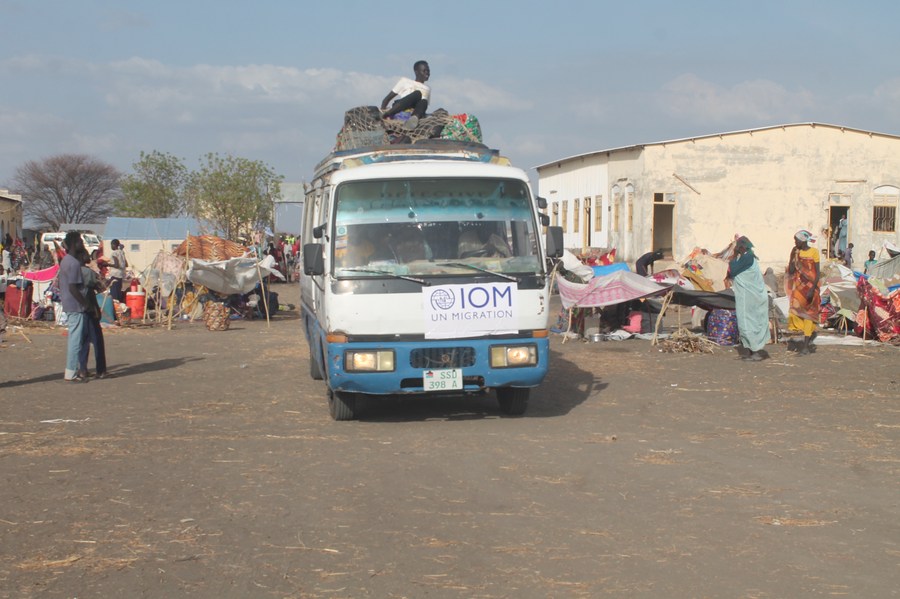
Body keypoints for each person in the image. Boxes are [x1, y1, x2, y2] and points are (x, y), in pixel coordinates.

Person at [724, 237, 769, 361]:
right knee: (745, 322)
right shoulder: (744, 258)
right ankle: (750, 350)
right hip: (746, 296)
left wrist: (734, 257)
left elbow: (732, 270)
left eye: (738, 247)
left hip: (751, 297)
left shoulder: (747, 258)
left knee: (751, 323)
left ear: (742, 247)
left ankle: (756, 351)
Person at [58, 232, 95, 382]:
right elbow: (73, 288)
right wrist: (86, 304)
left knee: (75, 339)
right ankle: (71, 373)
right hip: (75, 305)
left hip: (69, 303)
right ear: (74, 244)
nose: (82, 244)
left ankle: (71, 371)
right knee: (75, 340)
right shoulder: (72, 263)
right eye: (80, 241)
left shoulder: (66, 261)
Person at [786, 230, 821, 355]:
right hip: (799, 288)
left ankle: (805, 346)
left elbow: (817, 273)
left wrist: (812, 289)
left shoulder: (814, 252)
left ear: (802, 240)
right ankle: (808, 335)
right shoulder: (797, 252)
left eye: (796, 240)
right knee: (794, 313)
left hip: (812, 288)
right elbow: (790, 271)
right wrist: (792, 257)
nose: (795, 242)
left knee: (808, 316)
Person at [76, 247, 109, 379]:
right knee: (97, 340)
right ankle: (101, 370)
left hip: (79, 308)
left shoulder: (71, 271)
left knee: (83, 340)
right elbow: (101, 287)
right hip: (90, 306)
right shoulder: (88, 272)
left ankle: (83, 369)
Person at [381, 60, 431, 130]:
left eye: (428, 71)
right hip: (401, 106)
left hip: (413, 111)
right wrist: (383, 111)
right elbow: (387, 99)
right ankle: (389, 113)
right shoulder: (405, 81)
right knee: (417, 94)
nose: (427, 73)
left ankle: (413, 120)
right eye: (424, 71)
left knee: (424, 101)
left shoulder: (427, 89)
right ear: (416, 72)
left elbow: (423, 107)